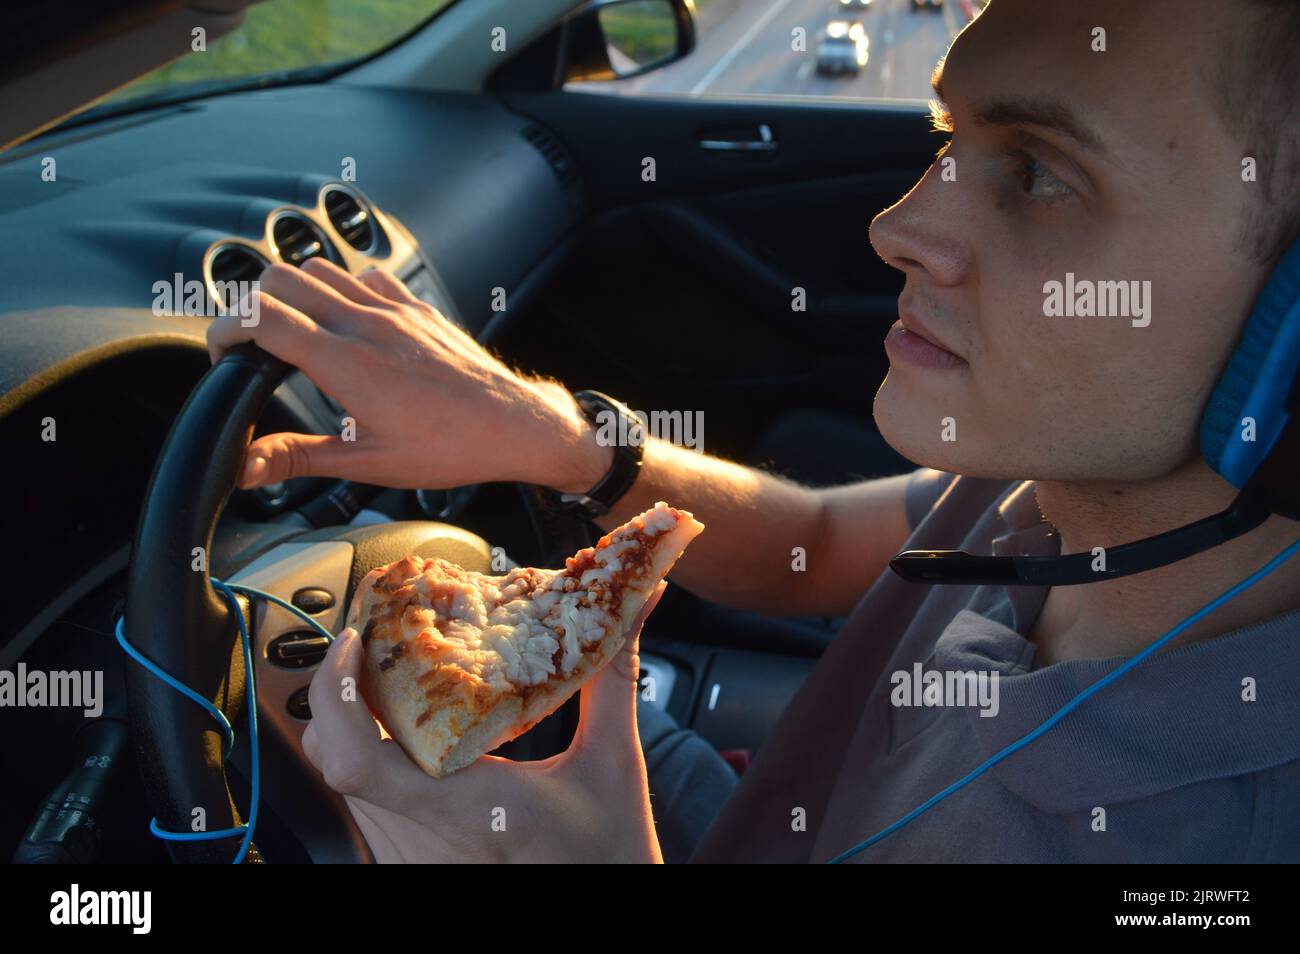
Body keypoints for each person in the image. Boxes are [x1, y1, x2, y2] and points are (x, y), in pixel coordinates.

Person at [206, 0, 1300, 862]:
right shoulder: (1042, 483)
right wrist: (552, 436)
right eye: (946, 137)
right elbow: (812, 545)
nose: (897, 228)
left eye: (1038, 174)